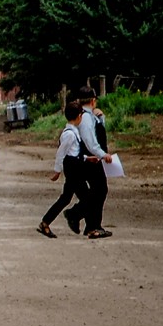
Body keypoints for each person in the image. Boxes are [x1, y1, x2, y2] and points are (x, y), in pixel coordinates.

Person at [62, 87, 112, 239]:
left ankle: (91, 224)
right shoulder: (87, 118)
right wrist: (103, 155)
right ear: (93, 100)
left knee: (96, 191)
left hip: (88, 158)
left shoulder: (89, 116)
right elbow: (90, 141)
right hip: (90, 159)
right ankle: (78, 216)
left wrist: (101, 117)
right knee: (99, 190)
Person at [39, 102, 90, 239]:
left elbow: (74, 152)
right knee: (86, 198)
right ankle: (72, 216)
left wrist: (86, 158)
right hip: (73, 170)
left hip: (75, 167)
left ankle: (47, 221)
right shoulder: (70, 134)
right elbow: (61, 153)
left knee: (67, 198)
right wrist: (57, 171)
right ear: (79, 116)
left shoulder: (74, 132)